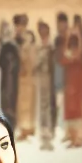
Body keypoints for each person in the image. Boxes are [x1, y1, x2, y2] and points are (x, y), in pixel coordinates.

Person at [61, 32, 82, 147]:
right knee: (70, 113)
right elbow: (63, 61)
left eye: (75, 45)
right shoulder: (67, 56)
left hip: (79, 88)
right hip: (69, 88)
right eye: (71, 45)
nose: (73, 48)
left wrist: (74, 58)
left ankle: (79, 138)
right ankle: (72, 138)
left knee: (78, 112)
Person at [33, 22, 57, 151]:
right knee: (42, 107)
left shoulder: (51, 48)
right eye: (41, 33)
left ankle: (49, 136)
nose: (43, 35)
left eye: (44, 32)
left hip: (50, 80)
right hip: (42, 80)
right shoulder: (40, 47)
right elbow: (35, 65)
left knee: (49, 107)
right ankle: (44, 136)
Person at [0, 22, 21, 124]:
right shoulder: (3, 47)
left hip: (13, 79)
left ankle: (13, 125)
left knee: (12, 102)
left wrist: (12, 65)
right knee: (5, 102)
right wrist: (7, 63)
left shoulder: (14, 47)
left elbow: (19, 63)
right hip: (5, 79)